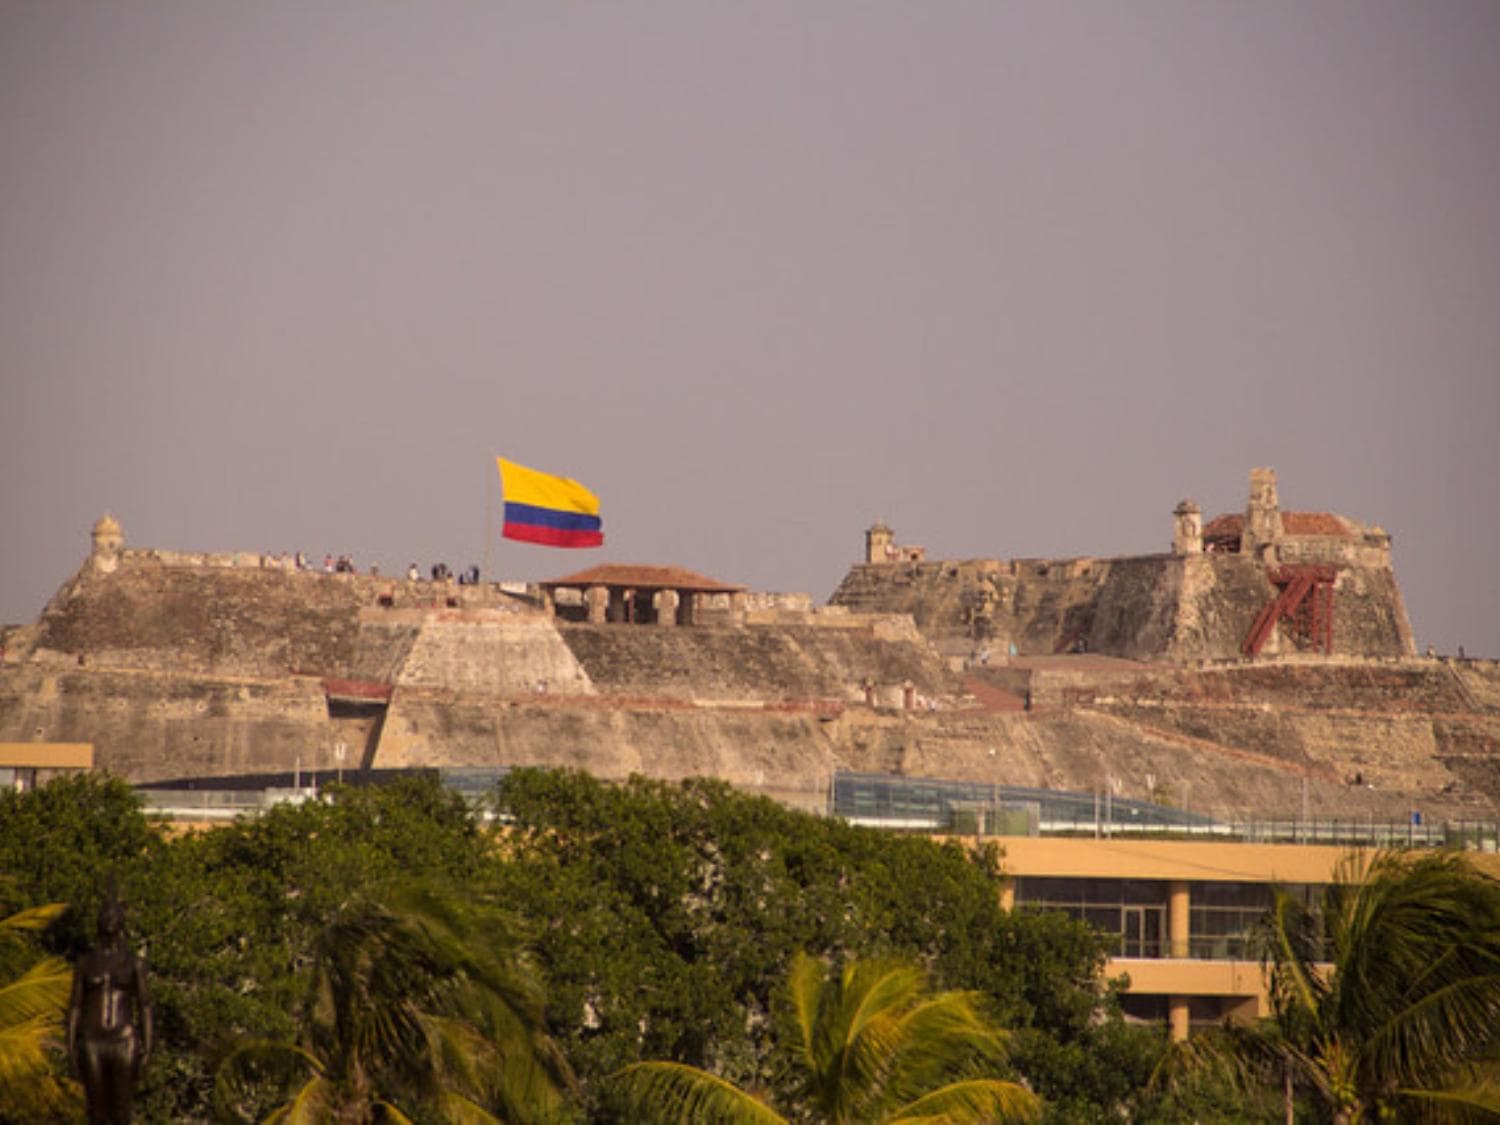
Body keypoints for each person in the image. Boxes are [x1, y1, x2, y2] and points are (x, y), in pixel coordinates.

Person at [68, 893, 152, 1124]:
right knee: (96, 1110)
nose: (108, 919)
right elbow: (75, 1006)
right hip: (92, 1039)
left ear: (122, 921)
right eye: (104, 915)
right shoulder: (85, 963)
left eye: (114, 915)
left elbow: (144, 1006)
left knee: (122, 1109)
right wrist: (70, 1047)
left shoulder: (134, 962)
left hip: (123, 1039)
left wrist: (148, 1046)